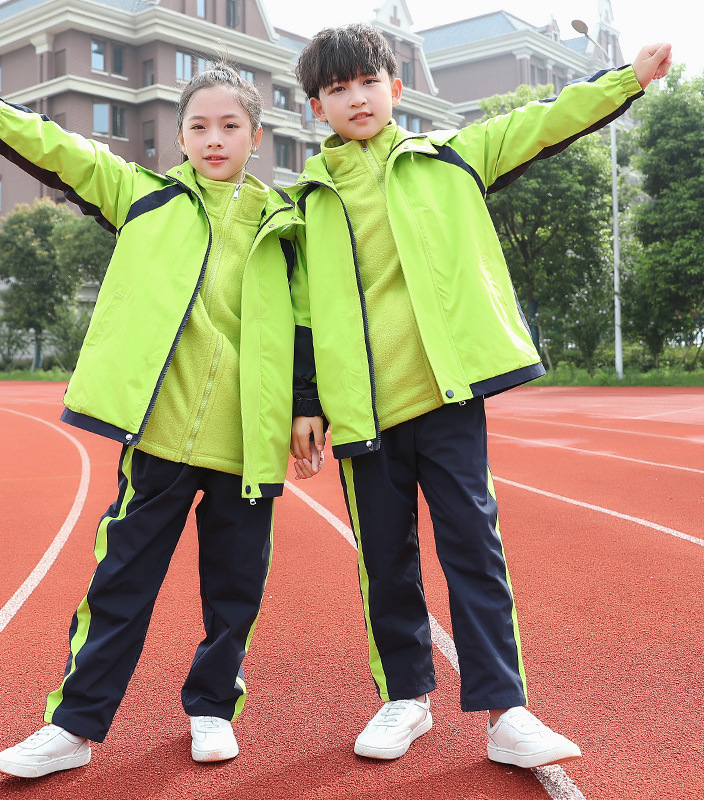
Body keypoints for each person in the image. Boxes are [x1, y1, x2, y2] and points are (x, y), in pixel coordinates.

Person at [288, 23, 672, 768]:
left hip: (448, 399)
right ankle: (406, 698)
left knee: (474, 550)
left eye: (368, 81)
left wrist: (627, 80)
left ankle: (507, 711)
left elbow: (543, 121)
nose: (356, 98)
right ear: (316, 108)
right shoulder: (306, 203)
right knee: (385, 562)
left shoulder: (453, 156)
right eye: (337, 89)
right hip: (363, 411)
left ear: (396, 88)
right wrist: (308, 401)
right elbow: (300, 313)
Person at [0, 62, 306, 777]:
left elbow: (307, 322)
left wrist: (308, 406)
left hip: (248, 442)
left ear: (256, 136)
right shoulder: (143, 195)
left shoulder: (287, 223)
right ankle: (73, 726)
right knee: (119, 585)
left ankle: (213, 708)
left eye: (230, 125)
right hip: (162, 434)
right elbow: (67, 152)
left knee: (235, 590)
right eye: (199, 126)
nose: (214, 139)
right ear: (179, 137)